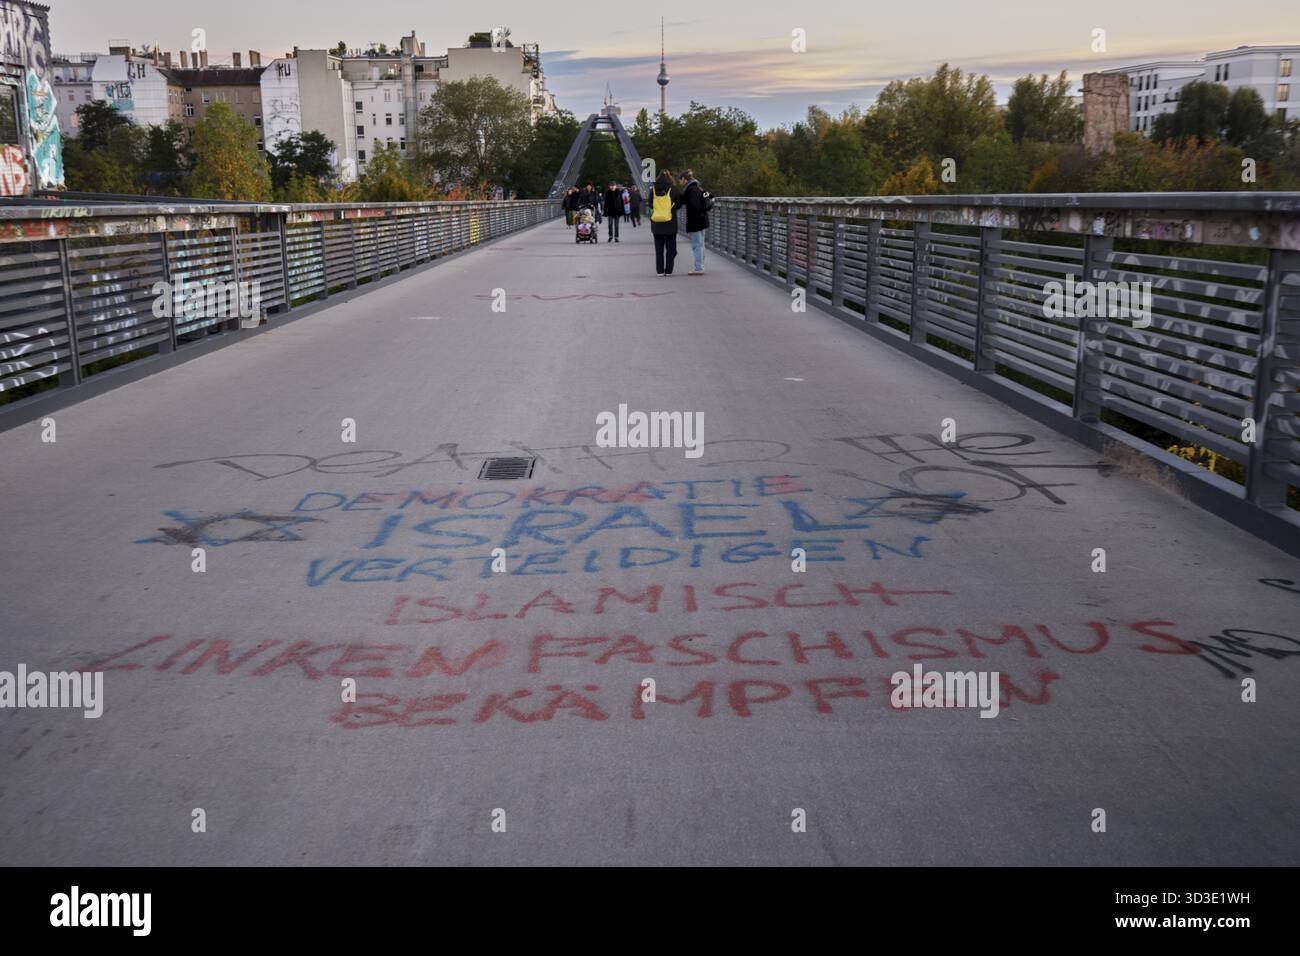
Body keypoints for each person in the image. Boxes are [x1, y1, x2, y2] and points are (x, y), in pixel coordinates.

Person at [648, 170, 682, 276]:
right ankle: (668, 270)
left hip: (657, 223)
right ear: (670, 178)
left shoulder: (653, 190)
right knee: (671, 248)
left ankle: (660, 271)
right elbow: (679, 204)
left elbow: (650, 204)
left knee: (659, 249)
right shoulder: (673, 189)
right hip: (670, 223)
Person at [679, 169, 709, 275]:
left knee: (696, 245)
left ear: (684, 179)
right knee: (701, 244)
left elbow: (694, 205)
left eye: (680, 180)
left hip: (695, 221)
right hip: (703, 219)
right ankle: (701, 265)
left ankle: (698, 268)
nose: (679, 182)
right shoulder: (698, 187)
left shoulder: (690, 190)